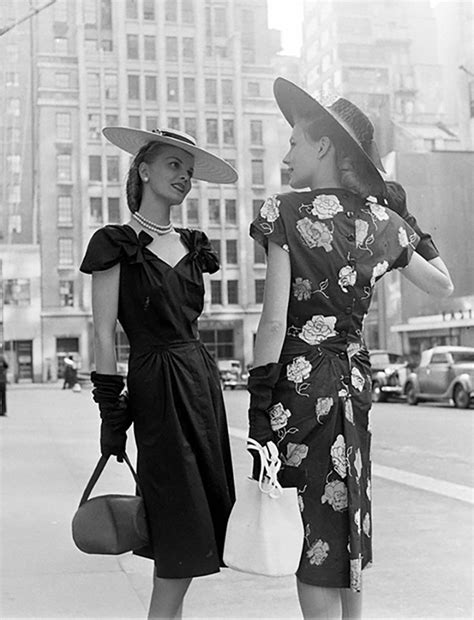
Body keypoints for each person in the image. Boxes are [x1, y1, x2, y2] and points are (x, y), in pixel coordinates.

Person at [247, 78, 453, 620]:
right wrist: (408, 225)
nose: (287, 154)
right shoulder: (382, 223)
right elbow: (443, 284)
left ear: (323, 146)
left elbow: (272, 323)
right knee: (347, 519)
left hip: (298, 386)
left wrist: (258, 411)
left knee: (313, 530)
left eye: (295, 141)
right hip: (353, 386)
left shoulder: (284, 213)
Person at [79, 127, 237, 619]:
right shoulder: (114, 244)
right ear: (144, 170)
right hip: (156, 384)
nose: (184, 177)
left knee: (200, 523)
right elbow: (104, 335)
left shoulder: (195, 245)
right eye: (174, 165)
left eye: (188, 171)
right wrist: (111, 412)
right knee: (177, 525)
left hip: (200, 383)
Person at [0, 351, 8, 416]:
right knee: (3, 396)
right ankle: (3, 411)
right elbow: (7, 366)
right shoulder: (2, 358)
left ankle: (2, 411)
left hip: (2, 380)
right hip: (2, 381)